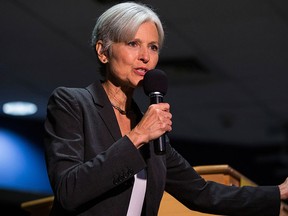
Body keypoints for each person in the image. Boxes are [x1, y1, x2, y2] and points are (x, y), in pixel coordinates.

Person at [44, 2, 288, 216]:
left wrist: (277, 193)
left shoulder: (151, 130)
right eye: (133, 43)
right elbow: (68, 191)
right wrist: (138, 136)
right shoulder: (72, 103)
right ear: (103, 52)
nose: (145, 57)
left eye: (153, 47)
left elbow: (201, 193)